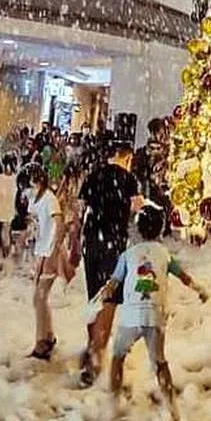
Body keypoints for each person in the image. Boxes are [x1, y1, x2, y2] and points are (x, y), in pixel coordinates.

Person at [98, 203, 208, 417]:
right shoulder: (164, 255)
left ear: (137, 230)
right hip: (155, 315)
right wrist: (200, 290)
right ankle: (172, 408)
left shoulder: (128, 255)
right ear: (160, 229)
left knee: (118, 356)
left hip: (131, 315)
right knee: (159, 362)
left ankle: (113, 404)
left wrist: (105, 291)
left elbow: (113, 282)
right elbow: (184, 277)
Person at [77, 139, 140, 385]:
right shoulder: (128, 180)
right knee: (110, 300)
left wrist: (74, 243)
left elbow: (81, 211)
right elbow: (137, 213)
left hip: (91, 240)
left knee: (94, 296)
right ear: (126, 157)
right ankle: (96, 355)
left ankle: (91, 345)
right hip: (114, 243)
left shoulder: (94, 176)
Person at [27, 164, 70, 360]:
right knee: (40, 298)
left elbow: (60, 224)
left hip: (49, 251)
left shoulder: (49, 199)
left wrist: (54, 249)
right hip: (42, 251)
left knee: (39, 297)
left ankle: (41, 342)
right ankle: (48, 336)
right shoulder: (38, 198)